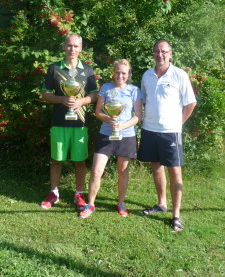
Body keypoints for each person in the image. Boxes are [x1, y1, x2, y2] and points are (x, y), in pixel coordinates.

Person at [137, 40, 197, 232]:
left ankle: (176, 215)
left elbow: (190, 103)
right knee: (156, 167)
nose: (160, 55)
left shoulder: (179, 74)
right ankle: (162, 203)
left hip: (170, 132)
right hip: (150, 129)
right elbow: (145, 101)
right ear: (153, 53)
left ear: (170, 54)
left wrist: (178, 123)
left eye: (164, 51)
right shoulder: (147, 75)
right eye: (156, 51)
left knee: (175, 172)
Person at [41, 33, 98, 210]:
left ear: (81, 48)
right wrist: (61, 100)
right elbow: (45, 94)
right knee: (56, 159)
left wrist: (81, 101)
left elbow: (94, 95)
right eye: (69, 45)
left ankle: (79, 194)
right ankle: (54, 193)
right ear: (64, 46)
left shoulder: (87, 70)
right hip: (59, 122)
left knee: (80, 160)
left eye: (75, 46)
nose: (72, 49)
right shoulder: (54, 68)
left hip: (80, 123)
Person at [79, 59, 142, 218]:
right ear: (113, 73)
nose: (120, 76)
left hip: (127, 135)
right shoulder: (106, 88)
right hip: (106, 134)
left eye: (124, 73)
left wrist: (123, 126)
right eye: (118, 72)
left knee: (122, 171)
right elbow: (98, 112)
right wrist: (108, 119)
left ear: (128, 74)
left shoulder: (134, 90)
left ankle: (121, 202)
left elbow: (138, 116)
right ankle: (91, 204)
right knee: (96, 171)